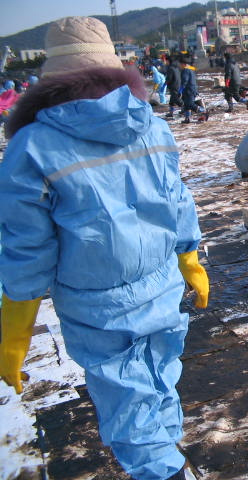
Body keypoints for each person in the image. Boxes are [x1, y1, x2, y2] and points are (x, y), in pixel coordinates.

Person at [0, 16, 209, 480]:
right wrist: (189, 258)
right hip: (160, 285)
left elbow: (27, 245)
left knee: (127, 400)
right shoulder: (150, 124)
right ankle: (166, 454)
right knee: (159, 380)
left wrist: (15, 325)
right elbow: (176, 197)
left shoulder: (33, 145)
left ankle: (164, 471)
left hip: (98, 305)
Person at [179, 55, 199, 124]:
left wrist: (181, 90)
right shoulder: (191, 70)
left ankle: (203, 111)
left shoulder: (186, 70)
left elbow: (185, 80)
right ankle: (187, 119)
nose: (180, 65)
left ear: (183, 64)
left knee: (190, 104)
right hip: (190, 90)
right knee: (187, 105)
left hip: (189, 90)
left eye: (180, 64)